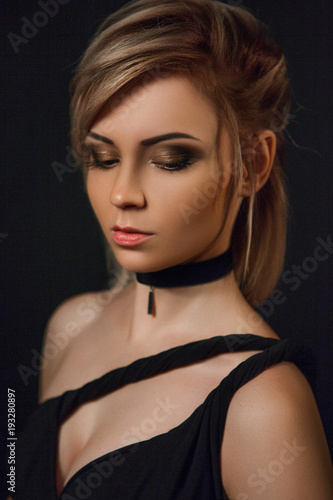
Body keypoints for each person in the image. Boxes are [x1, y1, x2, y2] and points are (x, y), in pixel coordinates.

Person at [16, 0, 333, 498]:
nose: (123, 193)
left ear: (253, 164)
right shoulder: (71, 326)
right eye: (101, 157)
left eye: (170, 159)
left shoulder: (262, 404)